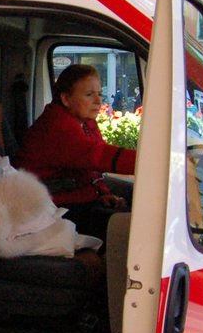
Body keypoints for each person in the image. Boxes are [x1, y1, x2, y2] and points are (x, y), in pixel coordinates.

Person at [13, 64, 137, 240]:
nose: (98, 101)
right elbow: (99, 156)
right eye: (89, 95)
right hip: (49, 209)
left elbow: (91, 168)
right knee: (126, 227)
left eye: (99, 94)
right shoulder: (57, 126)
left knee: (128, 201)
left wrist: (103, 193)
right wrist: (149, 161)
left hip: (70, 197)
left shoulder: (83, 121)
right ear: (65, 98)